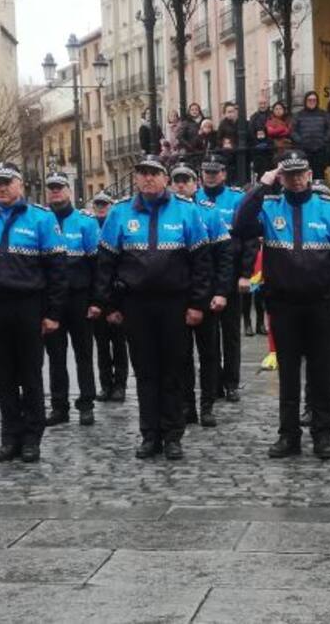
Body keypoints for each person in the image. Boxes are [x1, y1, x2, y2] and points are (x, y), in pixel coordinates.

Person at [232, 150, 330, 460]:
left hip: (323, 305)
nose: (295, 179)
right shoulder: (270, 206)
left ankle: (323, 434)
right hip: (284, 305)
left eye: (300, 173)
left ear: (309, 173)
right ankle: (288, 435)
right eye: (288, 175)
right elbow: (240, 222)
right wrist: (262, 185)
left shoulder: (329, 208)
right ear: (282, 177)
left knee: (321, 374)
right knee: (288, 376)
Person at [91, 155, 211, 460]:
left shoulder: (187, 211)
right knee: (145, 372)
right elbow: (106, 263)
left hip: (175, 303)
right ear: (136, 179)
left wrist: (197, 304)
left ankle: (173, 436)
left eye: (154, 173)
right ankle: (149, 434)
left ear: (166, 179)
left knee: (173, 371)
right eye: (142, 174)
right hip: (136, 304)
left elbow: (201, 263)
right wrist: (110, 306)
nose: (148, 179)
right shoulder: (119, 213)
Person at [0, 163, 66, 464]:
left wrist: (53, 312)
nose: (2, 188)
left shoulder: (41, 219)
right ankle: (10, 437)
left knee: (30, 374)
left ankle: (32, 438)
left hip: (28, 306)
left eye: (7, 182)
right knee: (2, 376)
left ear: (21, 185)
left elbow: (57, 271)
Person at [170, 163, 230, 428]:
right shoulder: (167, 214)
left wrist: (220, 292)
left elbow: (224, 257)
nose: (181, 184)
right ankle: (186, 406)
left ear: (196, 184)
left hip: (206, 295)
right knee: (180, 355)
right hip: (179, 295)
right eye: (177, 180)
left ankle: (207, 406)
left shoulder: (210, 214)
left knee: (209, 355)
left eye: (187, 180)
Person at [42, 173, 99, 427]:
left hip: (79, 298)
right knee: (55, 356)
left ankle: (86, 404)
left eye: (59, 187)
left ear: (68, 190)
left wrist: (97, 300)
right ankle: (59, 406)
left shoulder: (85, 222)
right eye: (51, 188)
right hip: (52, 300)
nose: (55, 192)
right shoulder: (41, 221)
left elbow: (98, 265)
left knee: (84, 354)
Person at [198, 155, 249, 402]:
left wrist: (245, 274)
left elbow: (248, 239)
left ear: (224, 174)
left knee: (230, 334)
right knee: (208, 336)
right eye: (206, 172)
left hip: (230, 274)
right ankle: (213, 382)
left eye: (215, 172)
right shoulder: (193, 199)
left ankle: (231, 382)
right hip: (203, 277)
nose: (210, 176)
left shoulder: (237, 198)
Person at [89, 191, 128, 403]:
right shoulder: (89, 226)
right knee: (102, 345)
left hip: (117, 295)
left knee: (119, 344)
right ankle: (105, 384)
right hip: (97, 296)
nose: (101, 208)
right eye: (98, 205)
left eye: (105, 205)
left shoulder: (118, 227)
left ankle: (120, 385)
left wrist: (116, 304)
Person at [293, 91, 330, 179]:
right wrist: (300, 141)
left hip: (320, 150)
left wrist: (325, 140)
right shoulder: (298, 115)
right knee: (304, 175)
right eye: (309, 100)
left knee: (319, 176)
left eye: (314, 100)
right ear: (305, 101)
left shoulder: (324, 114)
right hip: (304, 151)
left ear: (317, 101)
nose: (312, 102)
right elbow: (293, 131)